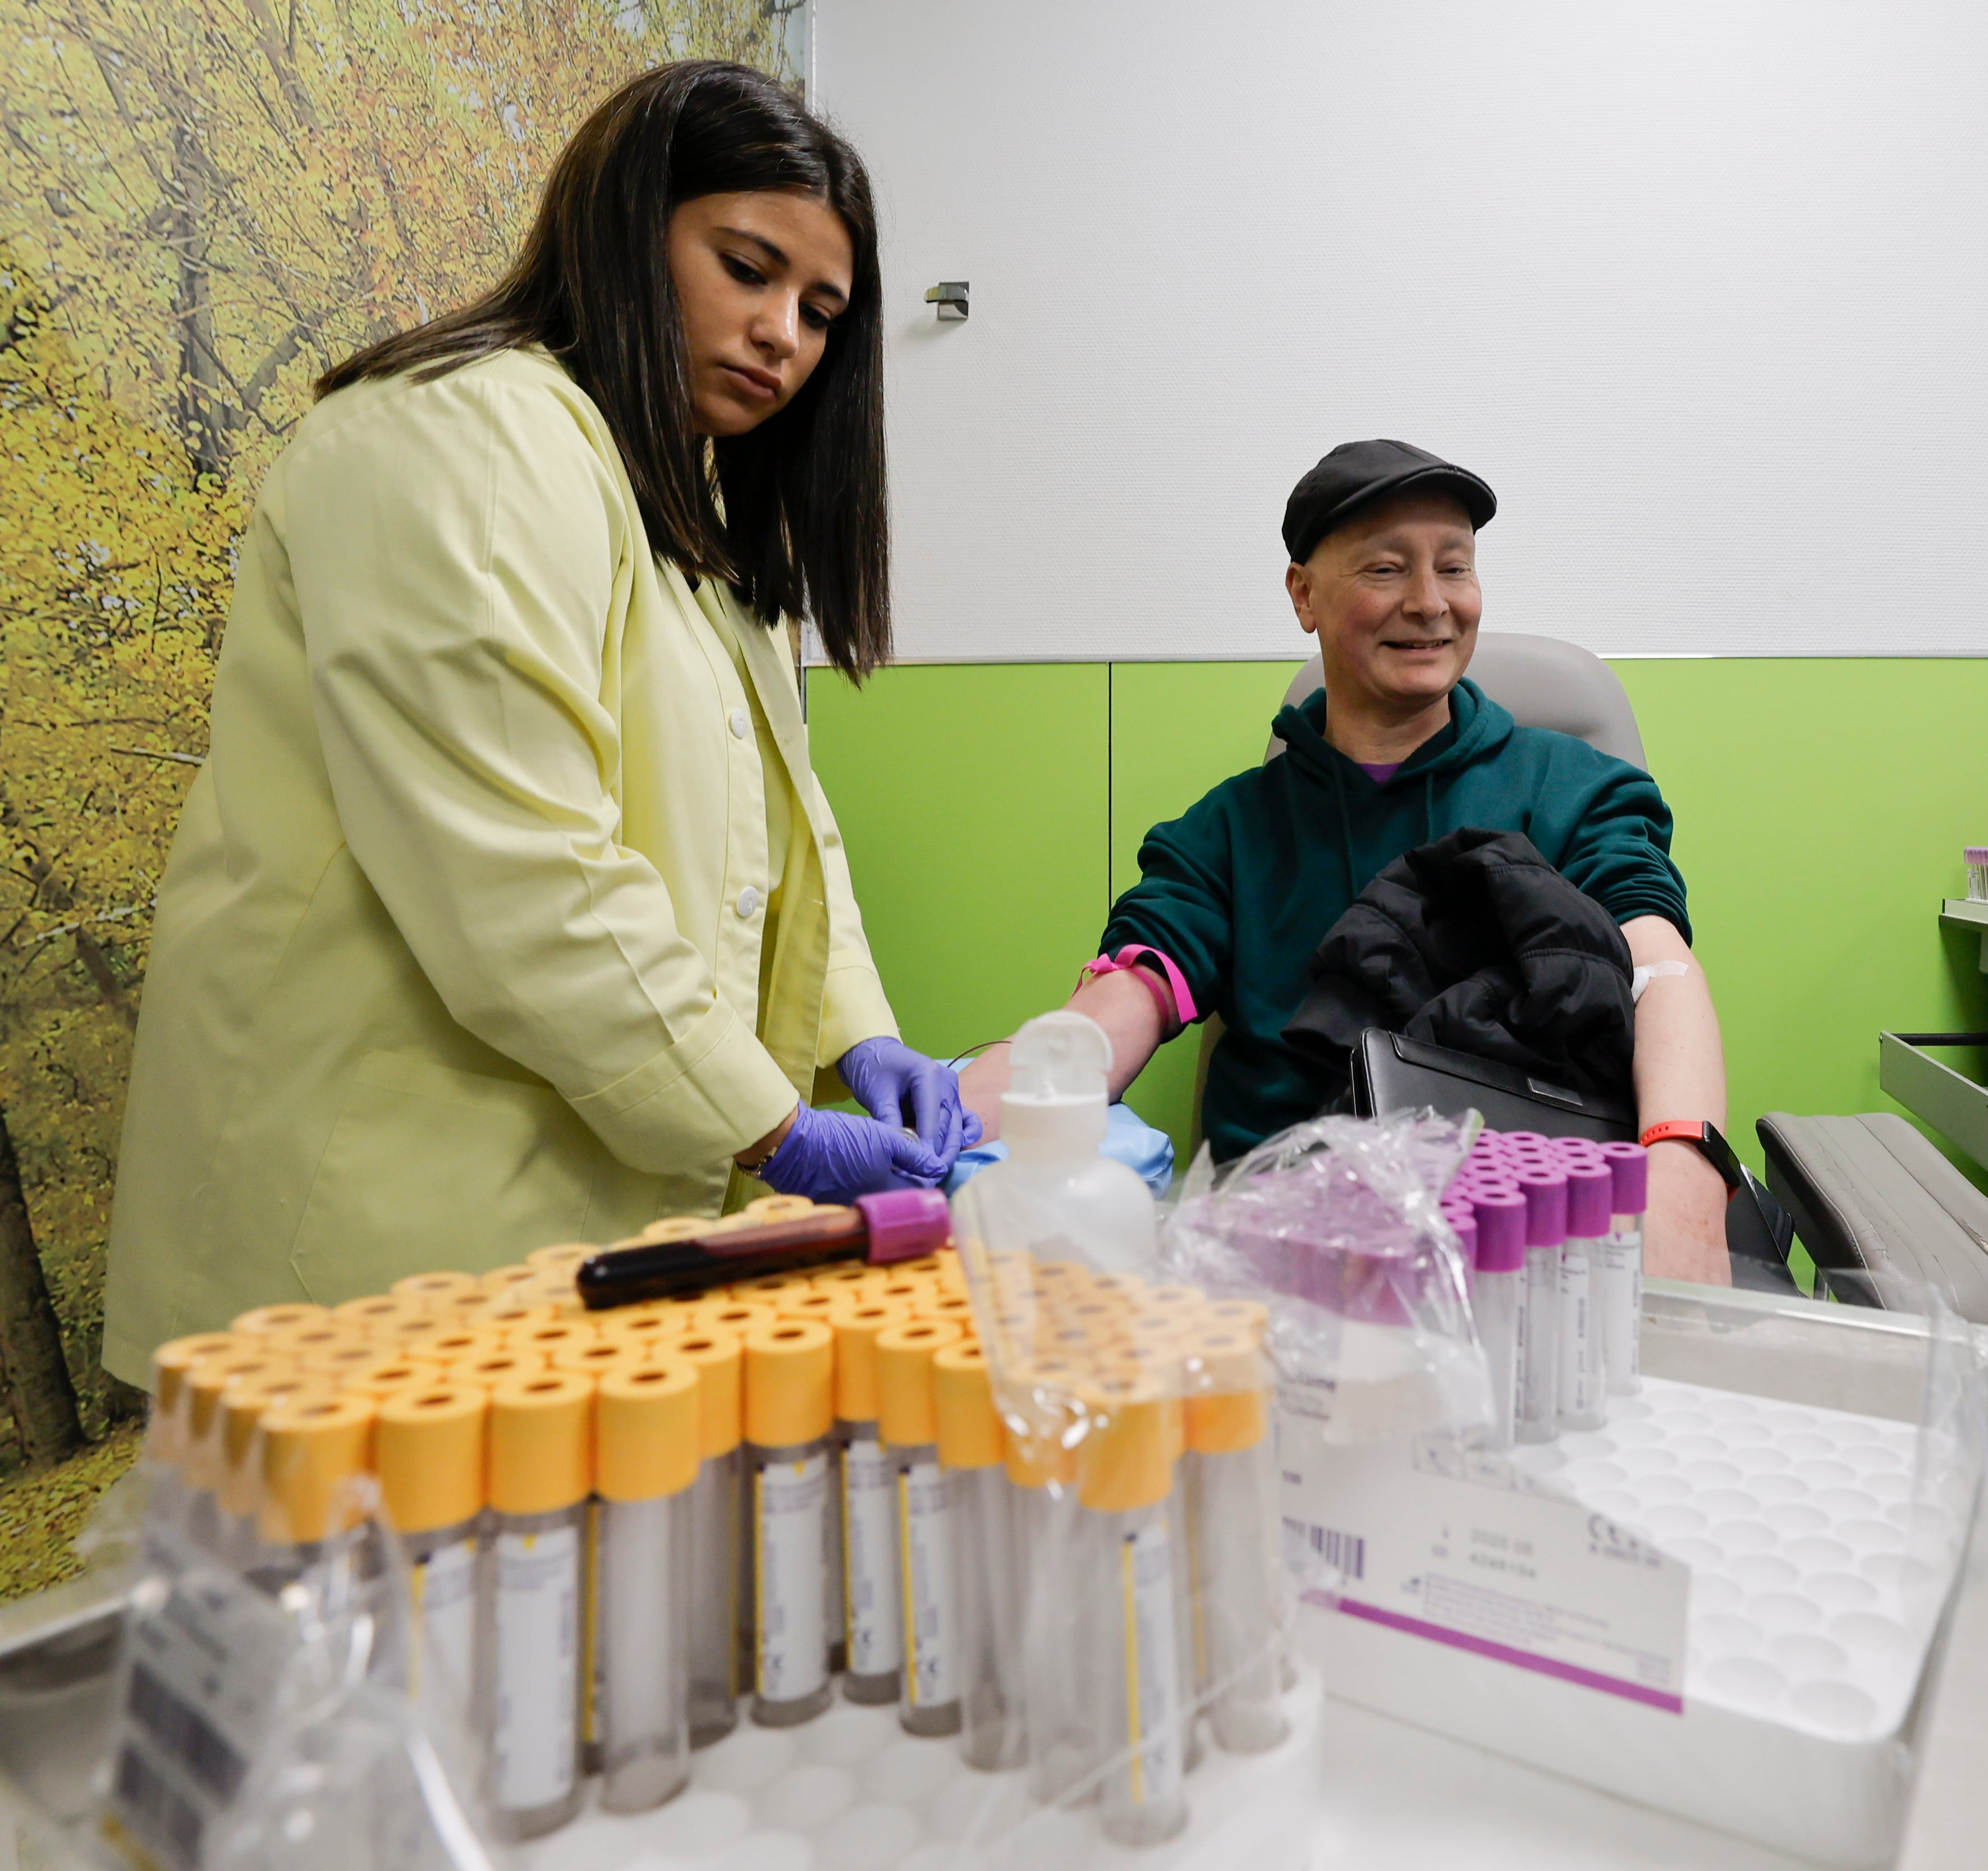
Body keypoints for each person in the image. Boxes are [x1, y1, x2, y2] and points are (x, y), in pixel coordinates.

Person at [102, 63, 977, 1377]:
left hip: (556, 1214)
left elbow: (788, 817)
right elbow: (523, 869)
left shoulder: (679, 504)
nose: (783, 335)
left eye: (820, 310)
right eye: (746, 267)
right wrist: (772, 1126)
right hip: (372, 1235)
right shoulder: (467, 436)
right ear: (627, 226)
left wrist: (860, 1030)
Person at [959, 441, 1736, 1283]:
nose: (1431, 603)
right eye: (1385, 569)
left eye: (1455, 567)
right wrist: (954, 1115)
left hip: (1528, 1258)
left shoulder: (1577, 790)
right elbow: (1126, 995)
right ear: (1304, 594)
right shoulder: (1227, 833)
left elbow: (1658, 967)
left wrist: (1683, 1167)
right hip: (1285, 1269)